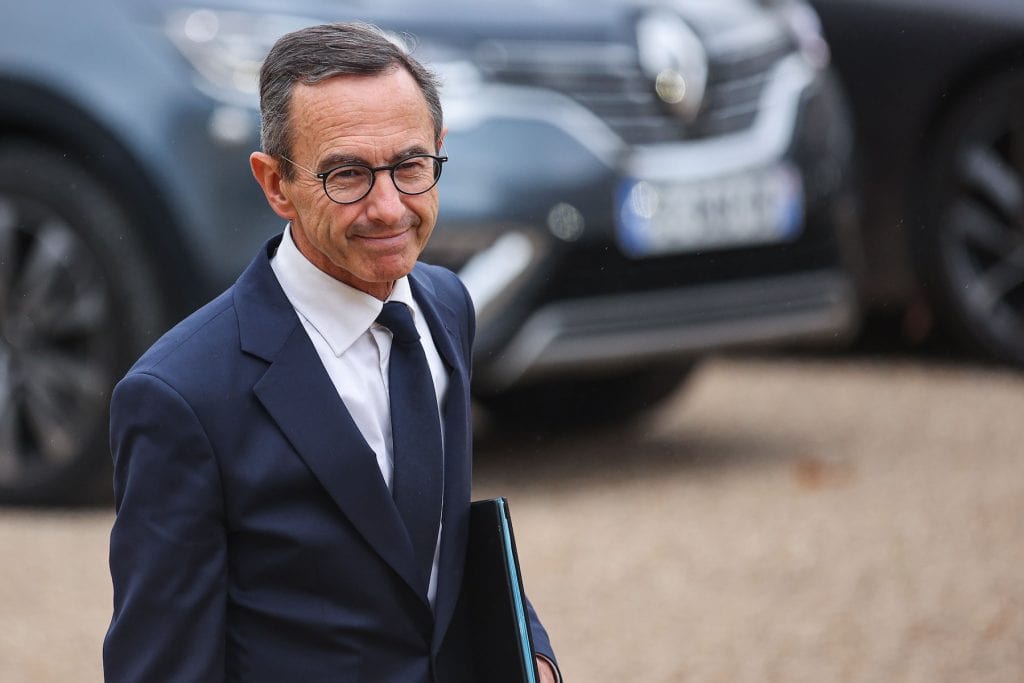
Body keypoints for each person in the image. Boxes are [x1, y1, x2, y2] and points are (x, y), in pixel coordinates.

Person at [103, 22, 560, 683]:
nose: (387, 207)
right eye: (347, 174)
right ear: (274, 183)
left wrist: (531, 653)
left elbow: (436, 549)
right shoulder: (181, 397)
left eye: (410, 167)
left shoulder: (447, 306)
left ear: (439, 151)